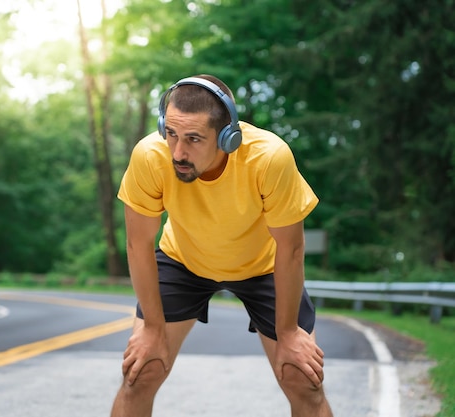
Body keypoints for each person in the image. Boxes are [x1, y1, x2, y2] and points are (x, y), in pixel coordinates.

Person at [110, 74, 333, 417]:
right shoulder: (150, 156)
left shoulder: (269, 159)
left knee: (302, 378)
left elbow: (290, 249)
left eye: (194, 139)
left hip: (263, 267)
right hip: (184, 260)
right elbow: (138, 243)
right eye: (171, 133)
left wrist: (288, 333)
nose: (178, 152)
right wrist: (152, 329)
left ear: (228, 137)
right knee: (142, 371)